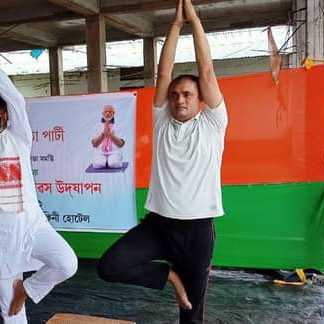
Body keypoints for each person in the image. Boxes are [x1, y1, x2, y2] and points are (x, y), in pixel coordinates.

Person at [97, 1, 228, 323]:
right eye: (174, 95)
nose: (180, 99)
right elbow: (164, 72)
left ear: (200, 101)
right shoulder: (162, 122)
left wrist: (194, 20)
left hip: (197, 231)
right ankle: (168, 274)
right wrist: (173, 26)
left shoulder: (213, 124)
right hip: (159, 225)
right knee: (110, 266)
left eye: (187, 95)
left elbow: (206, 70)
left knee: (191, 314)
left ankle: (182, 287)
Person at [0, 33, 77, 324]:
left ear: (6, 116)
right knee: (11, 315)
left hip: (30, 229)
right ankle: (18, 297)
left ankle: (28, 289)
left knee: (67, 262)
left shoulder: (19, 138)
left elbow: (17, 100)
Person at [91, 105, 125, 169]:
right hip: (100, 152)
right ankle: (105, 161)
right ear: (102, 113)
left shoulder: (119, 125)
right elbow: (94, 144)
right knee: (97, 165)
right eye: (105, 112)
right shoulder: (97, 126)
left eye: (110, 112)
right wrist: (103, 134)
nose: (107, 113)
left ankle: (109, 161)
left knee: (113, 163)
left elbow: (120, 144)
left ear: (113, 113)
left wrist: (111, 136)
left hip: (114, 152)